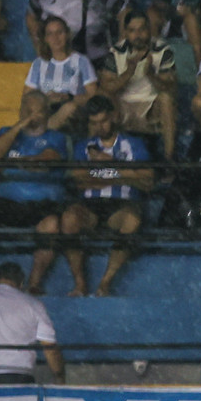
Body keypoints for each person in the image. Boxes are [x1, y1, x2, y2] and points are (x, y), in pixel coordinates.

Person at [61, 96, 151, 297]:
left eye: (103, 121)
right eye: (94, 123)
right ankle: (79, 283)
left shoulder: (133, 144)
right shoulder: (83, 146)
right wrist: (125, 175)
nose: (100, 127)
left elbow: (147, 180)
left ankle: (105, 283)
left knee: (132, 219)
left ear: (114, 117)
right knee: (69, 218)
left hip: (122, 205)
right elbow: (80, 181)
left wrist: (108, 163)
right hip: (90, 205)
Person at [96, 9, 179, 156]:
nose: (138, 35)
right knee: (102, 96)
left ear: (149, 29)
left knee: (166, 98)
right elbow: (107, 87)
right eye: (132, 31)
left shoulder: (162, 50)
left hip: (150, 107)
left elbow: (169, 86)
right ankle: (99, 154)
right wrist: (129, 72)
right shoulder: (116, 51)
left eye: (142, 29)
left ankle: (169, 159)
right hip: (123, 107)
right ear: (126, 33)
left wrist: (151, 74)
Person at [26, 15, 98, 130]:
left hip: (74, 113)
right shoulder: (38, 64)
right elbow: (28, 96)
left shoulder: (81, 61)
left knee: (69, 108)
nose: (56, 38)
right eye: (50, 34)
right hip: (46, 109)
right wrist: (47, 99)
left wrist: (68, 97)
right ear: (45, 39)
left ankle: (44, 131)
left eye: (60, 32)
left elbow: (93, 96)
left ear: (67, 34)